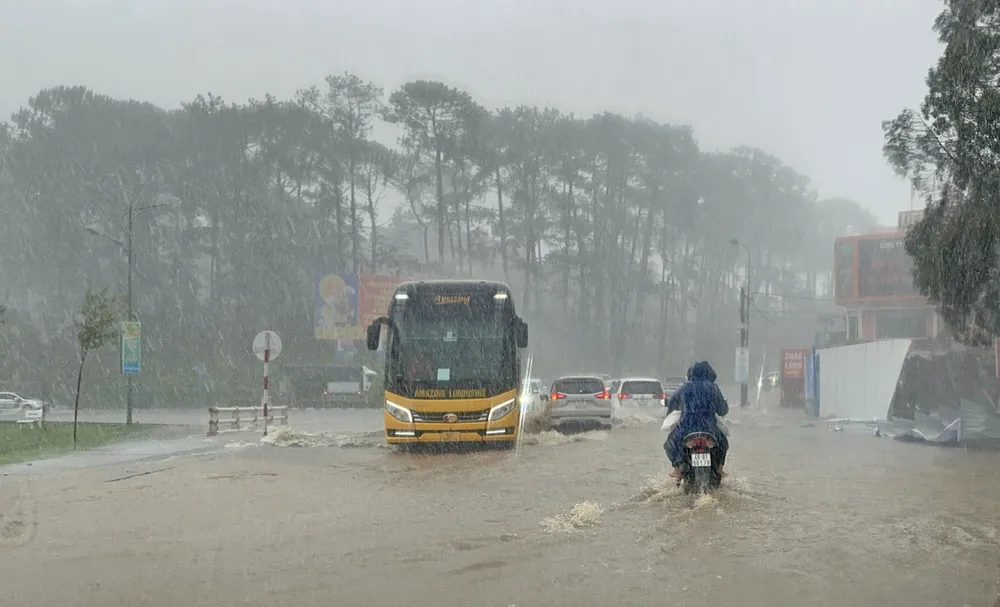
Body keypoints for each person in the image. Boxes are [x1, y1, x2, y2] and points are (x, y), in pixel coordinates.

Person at [664, 360, 730, 479]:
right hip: (710, 429)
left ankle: (677, 469)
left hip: (686, 429)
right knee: (723, 443)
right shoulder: (713, 388)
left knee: (669, 444)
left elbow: (672, 402)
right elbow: (723, 410)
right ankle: (719, 468)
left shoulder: (684, 387)